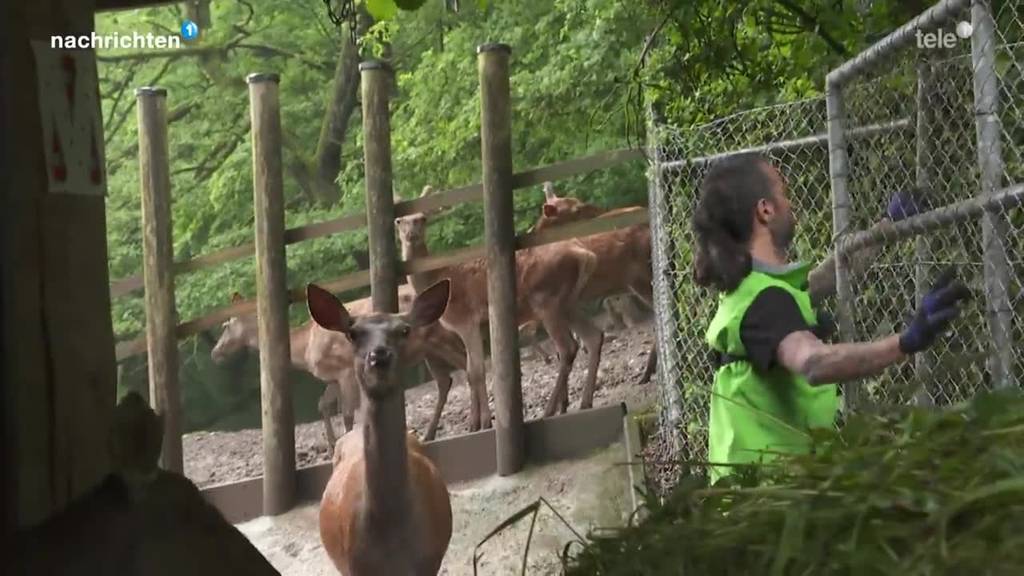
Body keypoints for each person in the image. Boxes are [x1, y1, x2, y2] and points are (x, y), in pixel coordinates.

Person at [691, 152, 970, 484]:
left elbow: (828, 277)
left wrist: (886, 229)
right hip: (773, 494)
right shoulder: (766, 301)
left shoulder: (749, 291)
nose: (791, 204)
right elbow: (813, 362)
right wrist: (905, 342)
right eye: (784, 193)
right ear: (765, 209)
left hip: (746, 485)